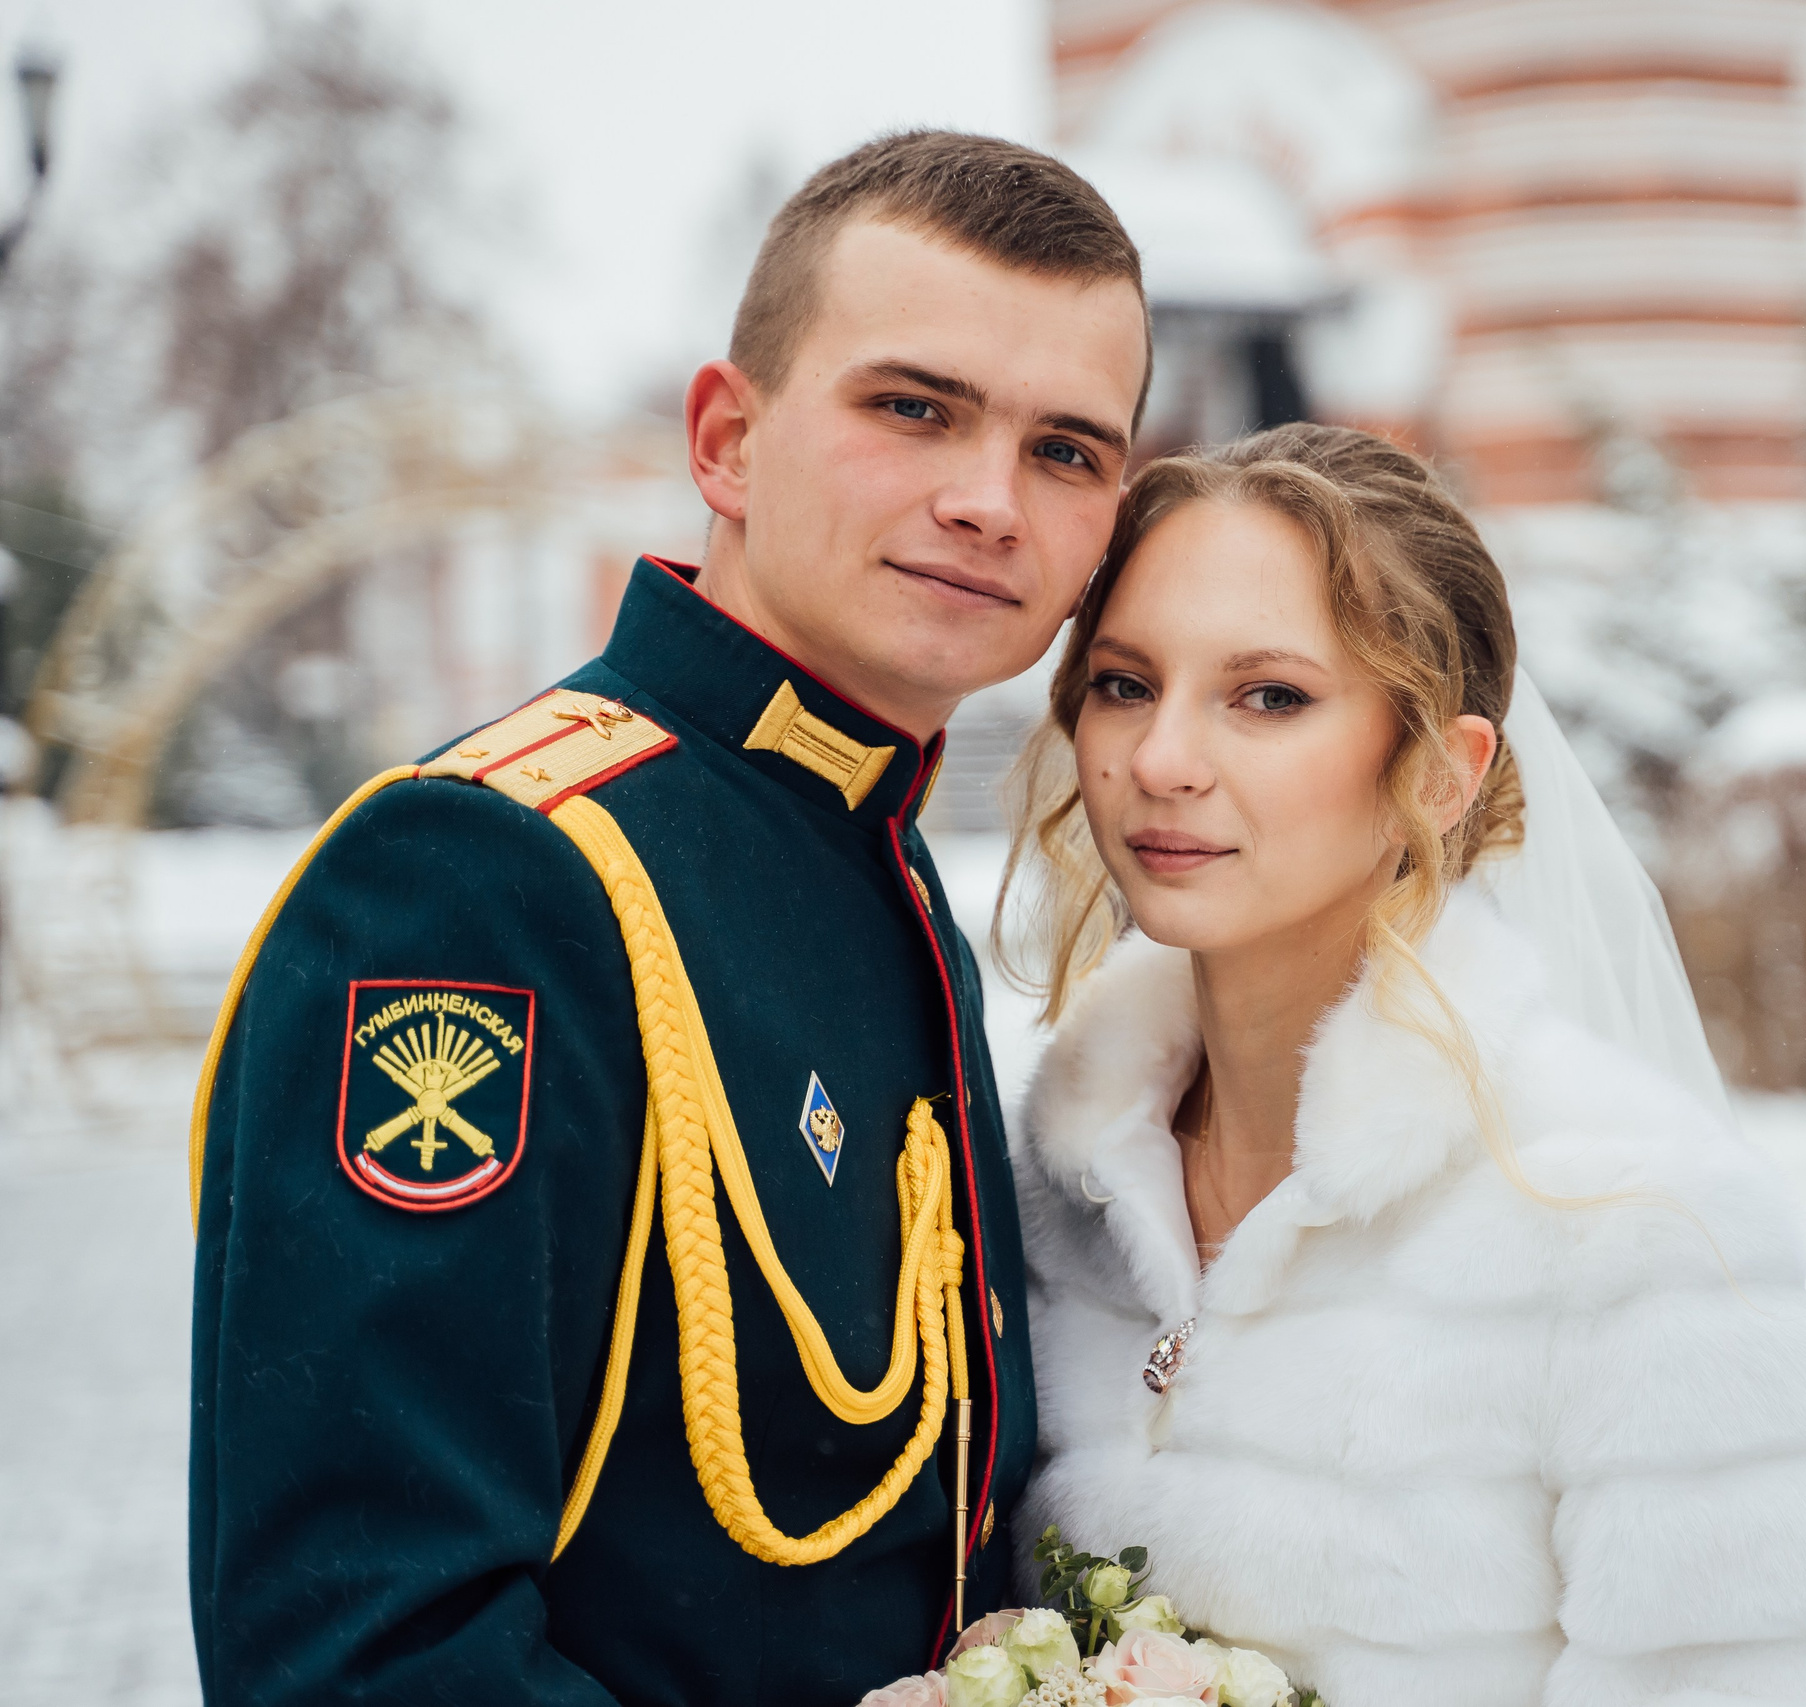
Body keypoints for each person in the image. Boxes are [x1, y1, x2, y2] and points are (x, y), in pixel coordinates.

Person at [187, 131, 1151, 1705]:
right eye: (914, 407)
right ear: (725, 439)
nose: (988, 501)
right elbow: (360, 1652)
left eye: (1067, 450)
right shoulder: (479, 876)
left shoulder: (887, 872)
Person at [1005, 425, 1806, 1705]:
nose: (1159, 761)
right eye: (1122, 682)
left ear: (1441, 770)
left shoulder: (1633, 1225)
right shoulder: (1044, 1194)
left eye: (1269, 696)